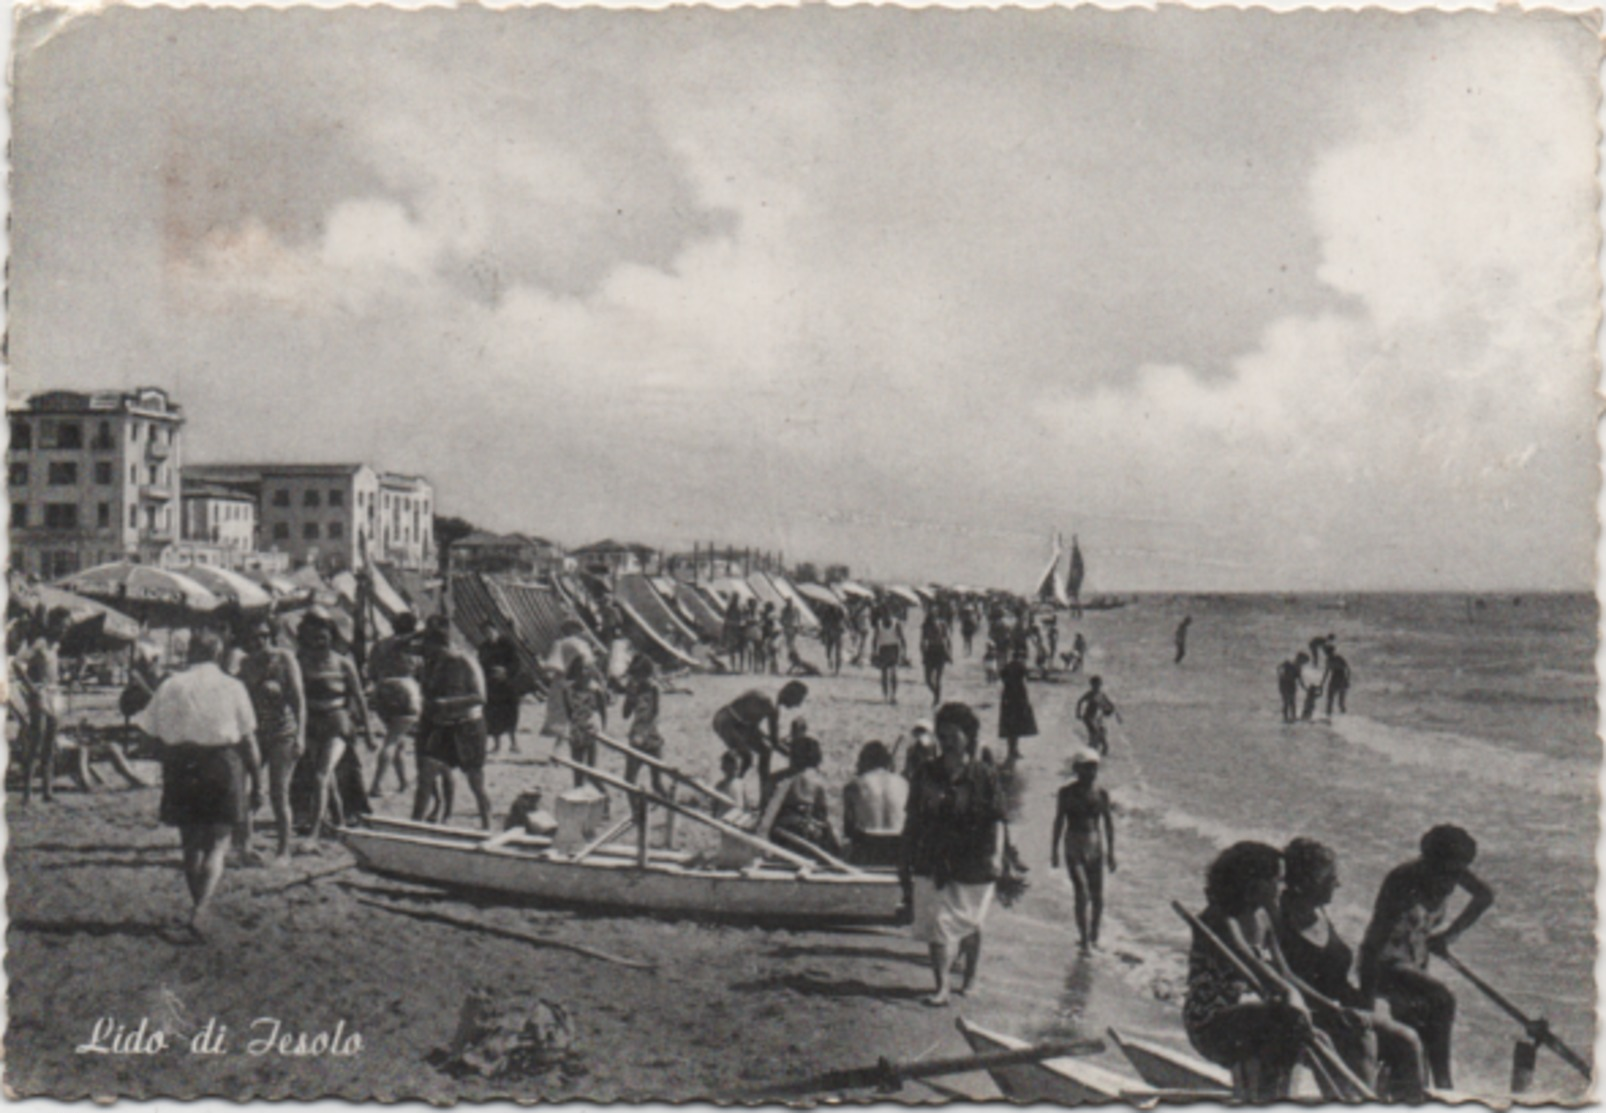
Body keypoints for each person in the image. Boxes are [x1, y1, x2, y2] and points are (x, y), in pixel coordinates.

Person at [1278, 838, 1427, 1101]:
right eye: (1330, 878)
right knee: (1363, 1039)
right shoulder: (1279, 919)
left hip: (1342, 1009)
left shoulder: (1319, 912)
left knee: (1408, 1040)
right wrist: (1332, 1009)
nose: (1338, 884)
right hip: (1310, 1012)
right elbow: (1283, 976)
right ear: (1309, 880)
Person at [136, 630, 261, 939]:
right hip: (221, 762)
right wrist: (257, 781)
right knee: (218, 843)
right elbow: (248, 740)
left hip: (182, 764)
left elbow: (148, 734)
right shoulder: (233, 686)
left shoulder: (170, 684)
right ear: (218, 653)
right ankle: (201, 909)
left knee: (190, 845)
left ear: (190, 652)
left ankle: (198, 906)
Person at [1358, 825, 1494, 1090]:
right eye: (1448, 872)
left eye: (1459, 872)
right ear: (1428, 861)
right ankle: (1445, 1086)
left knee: (1416, 1045)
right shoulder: (1402, 881)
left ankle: (1416, 1091)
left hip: (1415, 965)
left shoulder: (1452, 871)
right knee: (1442, 999)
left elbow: (1485, 895)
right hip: (1385, 966)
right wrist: (1367, 1006)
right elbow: (1374, 945)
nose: (1453, 881)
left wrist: (1449, 936)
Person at [1182, 842, 1314, 1101]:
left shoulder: (1262, 917)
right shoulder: (1220, 919)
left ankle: (1277, 1097)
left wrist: (1329, 1009)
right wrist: (1294, 1002)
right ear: (1253, 883)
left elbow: (1284, 974)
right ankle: (1258, 1097)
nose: (1283, 887)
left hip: (1246, 1017)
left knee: (1307, 1031)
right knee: (1286, 1020)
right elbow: (1260, 971)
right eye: (1277, 880)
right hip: (1210, 1022)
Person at [900, 702, 1006, 1007]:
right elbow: (913, 819)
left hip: (975, 858)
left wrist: (997, 856)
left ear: (968, 736)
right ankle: (942, 986)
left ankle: (970, 977)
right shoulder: (925, 772)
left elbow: (997, 819)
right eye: (941, 735)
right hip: (933, 855)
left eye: (952, 735)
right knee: (937, 921)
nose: (946, 741)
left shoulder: (984, 774)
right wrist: (904, 858)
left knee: (971, 923)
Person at [293, 610, 373, 851]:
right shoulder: (301, 661)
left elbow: (359, 698)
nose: (319, 642)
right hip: (311, 723)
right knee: (327, 780)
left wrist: (368, 732)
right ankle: (339, 823)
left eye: (324, 637)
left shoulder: (343, 662)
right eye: (314, 638)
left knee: (321, 775)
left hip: (338, 722)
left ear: (332, 636)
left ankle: (315, 834)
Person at [237, 617, 306, 864]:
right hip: (256, 733)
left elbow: (299, 701)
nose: (259, 642)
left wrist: (301, 735)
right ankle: (245, 846)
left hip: (282, 732)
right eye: (253, 638)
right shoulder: (245, 664)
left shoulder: (285, 659)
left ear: (271, 636)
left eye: (263, 636)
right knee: (247, 791)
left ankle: (283, 850)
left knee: (279, 792)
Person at [413, 619, 494, 828]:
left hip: (468, 726)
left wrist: (448, 703)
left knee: (475, 781)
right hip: (441, 726)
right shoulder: (431, 664)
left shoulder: (465, 662)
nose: (427, 654)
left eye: (430, 649)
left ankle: (487, 822)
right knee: (425, 775)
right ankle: (414, 824)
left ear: (443, 646)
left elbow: (480, 697)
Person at [1051, 752, 1116, 953]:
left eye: (1094, 767)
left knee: (1097, 896)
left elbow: (1108, 824)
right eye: (1086, 767)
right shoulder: (1066, 793)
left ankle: (1094, 935)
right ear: (1076, 769)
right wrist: (1053, 850)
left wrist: (1111, 853)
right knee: (1082, 891)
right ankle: (1085, 940)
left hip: (1095, 844)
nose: (1091, 772)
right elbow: (1059, 820)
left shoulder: (1101, 793)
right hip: (1073, 843)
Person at [711, 681, 807, 802]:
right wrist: (793, 755)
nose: (797, 705)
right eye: (798, 700)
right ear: (790, 694)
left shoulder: (773, 702)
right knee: (746, 757)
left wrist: (789, 752)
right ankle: (731, 792)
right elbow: (775, 742)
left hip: (742, 724)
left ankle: (764, 796)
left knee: (765, 751)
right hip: (726, 721)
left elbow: (772, 740)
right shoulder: (769, 702)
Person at [760, 732, 841, 861]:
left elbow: (765, 812)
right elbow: (823, 815)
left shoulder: (776, 779)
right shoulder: (816, 780)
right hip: (807, 837)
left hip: (780, 837)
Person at [367, 613, 421, 797]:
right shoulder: (412, 646)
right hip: (405, 690)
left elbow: (371, 672)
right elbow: (421, 669)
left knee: (397, 738)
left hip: (382, 689)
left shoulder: (380, 645)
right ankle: (376, 784)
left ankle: (403, 781)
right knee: (392, 740)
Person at [18, 610, 67, 804]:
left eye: (66, 626)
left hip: (54, 694)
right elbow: (17, 664)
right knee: (36, 741)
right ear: (53, 625)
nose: (64, 629)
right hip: (40, 694)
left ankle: (48, 790)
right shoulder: (39, 643)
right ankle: (27, 792)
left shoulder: (56, 646)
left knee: (50, 742)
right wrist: (31, 688)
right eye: (62, 625)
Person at [843, 740, 909, 867]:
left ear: (865, 762)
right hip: (899, 847)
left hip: (868, 848)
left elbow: (848, 829)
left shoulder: (854, 785)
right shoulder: (904, 783)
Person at [478, 627, 522, 755]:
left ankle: (514, 743)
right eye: (486, 633)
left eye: (491, 632)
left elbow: (516, 663)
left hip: (508, 685)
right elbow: (481, 664)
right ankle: (497, 745)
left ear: (497, 631)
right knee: (493, 715)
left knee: (511, 714)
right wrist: (490, 673)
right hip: (492, 686)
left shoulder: (507, 645)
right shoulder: (483, 648)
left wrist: (506, 671)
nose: (489, 635)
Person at [997, 646, 1038, 764]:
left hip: (1008, 698)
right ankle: (1014, 750)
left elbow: (1002, 677)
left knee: (1010, 726)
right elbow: (1026, 679)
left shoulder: (1008, 667)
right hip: (1018, 698)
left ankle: (1011, 750)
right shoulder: (1020, 667)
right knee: (1017, 726)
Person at [1075, 675, 1121, 756]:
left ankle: (1101, 752)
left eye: (1098, 685)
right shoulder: (1090, 694)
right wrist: (1078, 713)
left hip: (1097, 719)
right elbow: (1080, 701)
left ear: (1100, 685)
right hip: (1089, 718)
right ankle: (1090, 752)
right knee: (1095, 734)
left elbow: (1111, 705)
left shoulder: (1101, 695)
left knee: (1102, 736)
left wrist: (1118, 716)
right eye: (1094, 685)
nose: (1096, 687)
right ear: (1091, 685)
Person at [871, 606, 906, 704]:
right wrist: (874, 651)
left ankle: (893, 695)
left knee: (894, 673)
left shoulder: (896, 623)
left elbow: (902, 637)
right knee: (884, 674)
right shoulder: (879, 624)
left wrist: (903, 652)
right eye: (884, 614)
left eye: (888, 614)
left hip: (894, 648)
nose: (886, 616)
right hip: (884, 649)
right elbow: (875, 638)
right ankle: (886, 695)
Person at [920, 611, 951, 707]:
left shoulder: (942, 624)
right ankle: (936, 694)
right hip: (930, 651)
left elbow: (947, 639)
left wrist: (949, 652)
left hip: (940, 650)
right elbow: (922, 640)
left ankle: (937, 698)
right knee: (928, 680)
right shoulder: (925, 626)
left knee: (938, 678)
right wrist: (923, 652)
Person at [1323, 649, 1352, 717]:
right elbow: (1326, 672)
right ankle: (1329, 715)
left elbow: (1347, 669)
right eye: (1327, 653)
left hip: (1340, 678)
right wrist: (1322, 683)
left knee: (1340, 701)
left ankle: (1344, 716)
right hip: (1335, 678)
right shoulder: (1328, 660)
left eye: (1329, 653)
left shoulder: (1338, 658)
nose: (1328, 654)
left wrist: (1347, 680)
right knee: (1330, 699)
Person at [819, 603, 845, 675]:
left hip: (835, 631)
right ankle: (832, 663)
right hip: (832, 631)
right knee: (830, 650)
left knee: (836, 651)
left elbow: (843, 618)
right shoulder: (828, 610)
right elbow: (823, 621)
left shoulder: (839, 610)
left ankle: (837, 668)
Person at [1299, 652, 1324, 722]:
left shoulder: (1309, 695)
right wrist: (1321, 688)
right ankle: (1305, 719)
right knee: (1308, 712)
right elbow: (1320, 695)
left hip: (1308, 706)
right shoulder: (1312, 695)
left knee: (1306, 712)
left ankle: (1303, 718)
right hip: (1310, 706)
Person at [1277, 655, 1302, 723]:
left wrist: (1280, 676)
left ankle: (1288, 717)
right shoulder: (1291, 665)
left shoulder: (1290, 665)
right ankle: (1289, 717)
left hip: (1286, 684)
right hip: (1287, 685)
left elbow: (1278, 668)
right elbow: (1300, 679)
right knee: (1289, 702)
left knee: (1289, 702)